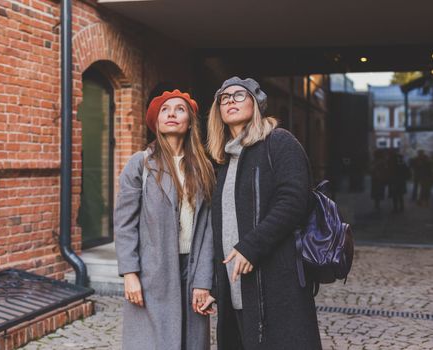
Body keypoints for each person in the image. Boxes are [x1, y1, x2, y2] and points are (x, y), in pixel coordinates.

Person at [207, 77, 322, 350]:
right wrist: (214, 285)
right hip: (235, 284)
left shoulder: (279, 142)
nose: (230, 102)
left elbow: (294, 200)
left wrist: (251, 246)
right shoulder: (223, 160)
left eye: (239, 96)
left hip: (276, 280)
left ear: (256, 103)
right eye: (224, 98)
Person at [114, 90, 216, 350]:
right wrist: (130, 273)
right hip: (152, 272)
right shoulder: (141, 165)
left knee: (191, 343)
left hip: (191, 269)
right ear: (156, 122)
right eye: (164, 110)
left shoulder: (204, 168)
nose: (171, 113)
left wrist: (204, 280)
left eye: (179, 109)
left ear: (191, 121)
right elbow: (124, 223)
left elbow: (209, 230)